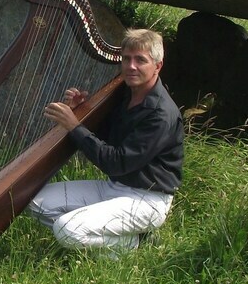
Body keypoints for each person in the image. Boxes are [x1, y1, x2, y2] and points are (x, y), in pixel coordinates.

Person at [26, 28, 184, 254]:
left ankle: (132, 244)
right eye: (126, 59)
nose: (131, 66)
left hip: (146, 199)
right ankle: (104, 235)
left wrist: (74, 125)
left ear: (157, 66)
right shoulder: (127, 94)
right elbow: (108, 138)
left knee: (65, 229)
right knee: (35, 202)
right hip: (114, 187)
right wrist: (83, 111)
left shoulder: (160, 114)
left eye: (140, 60)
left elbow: (116, 162)